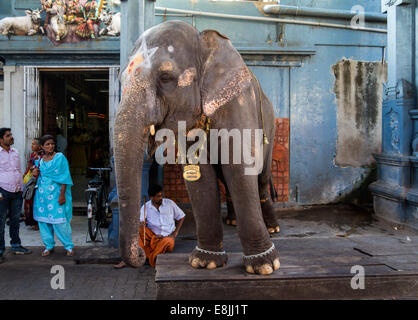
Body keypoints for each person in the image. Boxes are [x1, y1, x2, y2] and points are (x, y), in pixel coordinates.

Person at [114, 184, 186, 269]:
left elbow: (181, 216)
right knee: (139, 231)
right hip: (152, 237)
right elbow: (140, 222)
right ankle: (129, 259)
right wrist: (141, 224)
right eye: (158, 196)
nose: (161, 198)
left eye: (161, 195)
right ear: (151, 197)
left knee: (168, 241)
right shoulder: (146, 207)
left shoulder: (169, 203)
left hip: (166, 237)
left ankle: (150, 258)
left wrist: (175, 232)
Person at [33, 135, 74, 257]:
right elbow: (37, 175)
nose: (51, 146)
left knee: (60, 222)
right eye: (47, 144)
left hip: (56, 195)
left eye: (52, 144)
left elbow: (65, 177)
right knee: (44, 222)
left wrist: (62, 195)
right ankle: (49, 246)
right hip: (42, 196)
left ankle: (69, 246)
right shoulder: (40, 160)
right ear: (42, 147)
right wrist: (34, 172)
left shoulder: (60, 158)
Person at [0, 128, 32, 263]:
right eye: (8, 136)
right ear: (1, 139)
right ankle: (0, 250)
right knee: (0, 222)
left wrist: (21, 188)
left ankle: (16, 245)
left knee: (15, 220)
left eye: (11, 135)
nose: (11, 137)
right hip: (2, 191)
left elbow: (18, 170)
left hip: (16, 192)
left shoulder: (15, 152)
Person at [23, 138, 44, 231]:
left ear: (40, 146)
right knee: (29, 199)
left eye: (34, 144)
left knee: (35, 202)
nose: (32, 146)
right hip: (30, 180)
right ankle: (31, 221)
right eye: (32, 144)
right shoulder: (33, 154)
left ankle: (37, 222)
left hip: (37, 180)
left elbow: (37, 168)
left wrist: (31, 171)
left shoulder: (41, 156)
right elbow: (30, 166)